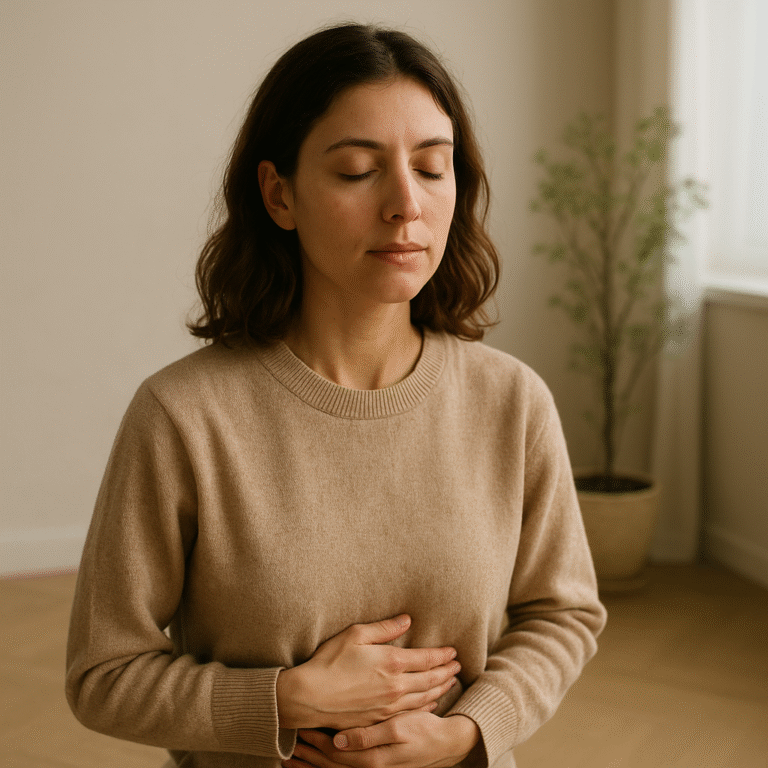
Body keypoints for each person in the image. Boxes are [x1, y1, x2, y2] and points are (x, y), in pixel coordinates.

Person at [66, 22, 606, 768]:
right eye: (357, 170)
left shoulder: (512, 402)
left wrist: (466, 731)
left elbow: (564, 613)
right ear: (279, 195)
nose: (405, 205)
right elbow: (103, 674)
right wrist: (287, 701)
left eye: (432, 167)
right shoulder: (182, 417)